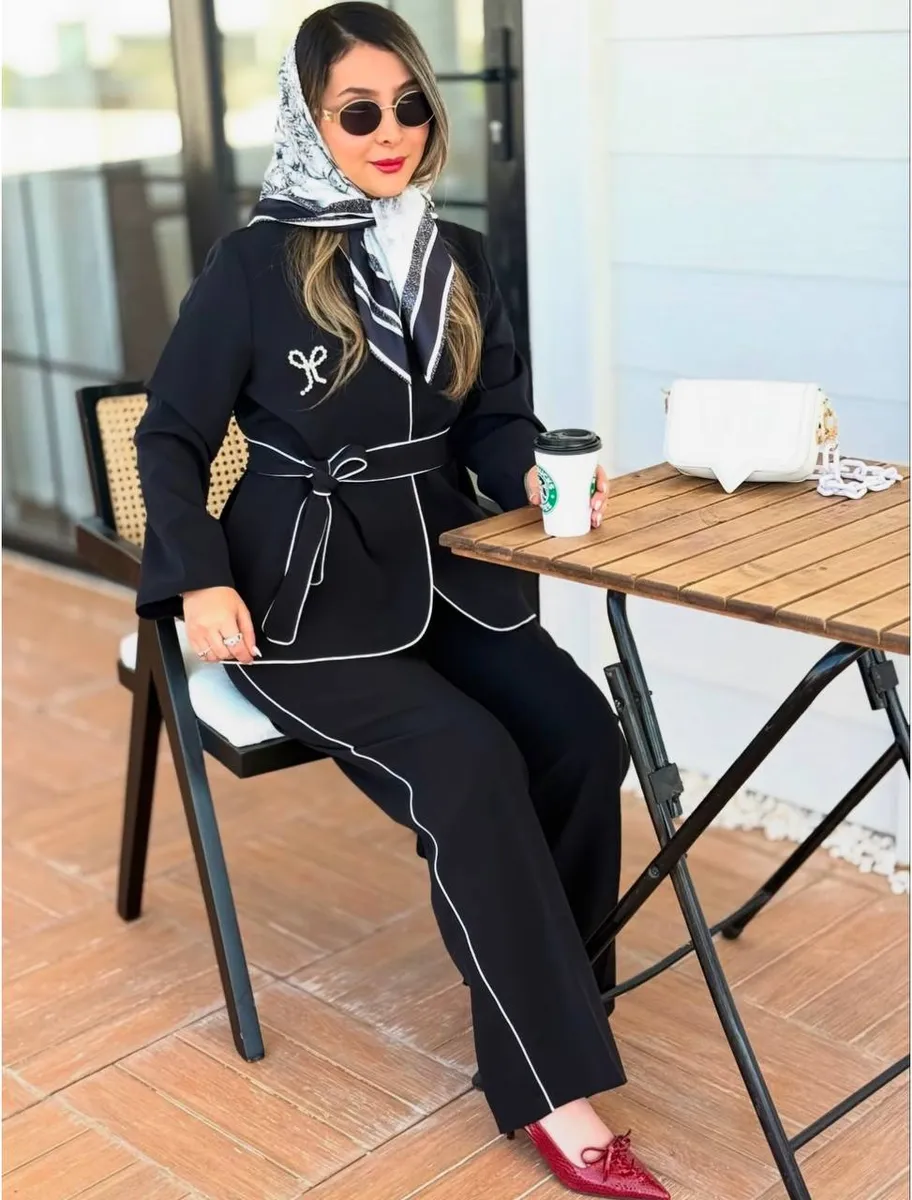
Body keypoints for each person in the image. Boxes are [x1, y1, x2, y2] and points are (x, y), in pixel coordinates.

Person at [134, 4, 669, 1197]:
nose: (391, 131)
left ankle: (557, 999)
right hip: (299, 595)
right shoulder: (253, 265)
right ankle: (550, 1081)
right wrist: (201, 578)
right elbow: (169, 439)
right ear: (309, 123)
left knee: (581, 737)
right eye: (358, 112)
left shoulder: (457, 255)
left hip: (448, 573)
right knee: (470, 762)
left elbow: (494, 419)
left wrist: (531, 472)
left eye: (410, 105)